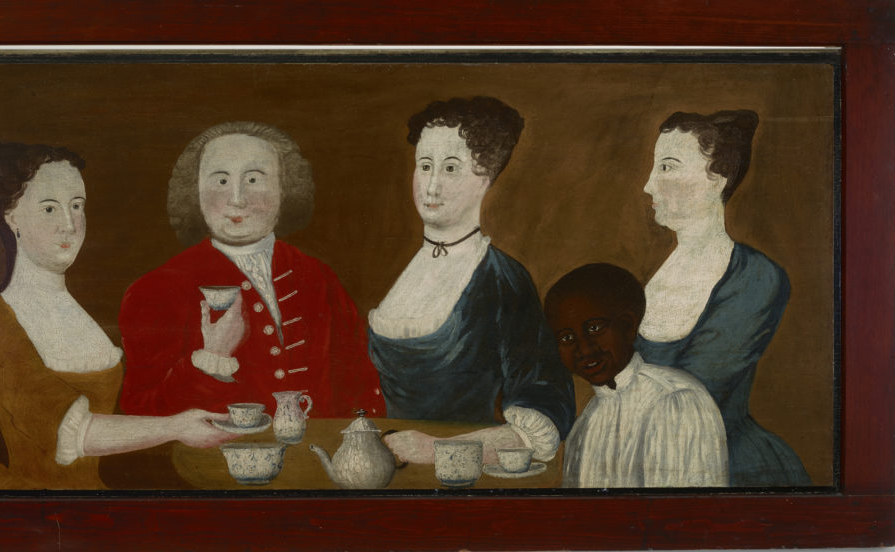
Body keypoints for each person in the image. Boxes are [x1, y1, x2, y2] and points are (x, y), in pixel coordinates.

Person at [0, 141, 236, 491]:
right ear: (12, 216)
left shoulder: (79, 312)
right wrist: (176, 428)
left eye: (76, 206)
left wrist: (208, 357)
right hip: (29, 501)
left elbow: (130, 420)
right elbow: (74, 431)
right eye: (49, 209)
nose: (69, 224)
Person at [118, 121, 385, 418]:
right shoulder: (157, 289)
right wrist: (213, 358)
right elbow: (141, 412)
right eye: (220, 181)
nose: (237, 198)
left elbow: (360, 386)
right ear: (194, 190)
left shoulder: (317, 276)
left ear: (285, 188)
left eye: (254, 179)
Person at [371, 97, 576, 466]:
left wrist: (436, 450)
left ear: (485, 178)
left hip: (460, 474)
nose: (431, 186)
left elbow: (545, 414)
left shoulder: (503, 281)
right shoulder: (406, 272)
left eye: (451, 168)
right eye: (425, 166)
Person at [636, 110, 811, 487]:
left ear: (717, 179)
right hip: (642, 458)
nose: (649, 185)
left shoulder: (756, 277)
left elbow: (695, 395)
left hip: (724, 466)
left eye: (666, 168)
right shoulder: (653, 277)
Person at [545, 263, 728, 488]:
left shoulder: (676, 400)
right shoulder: (585, 424)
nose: (584, 349)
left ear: (628, 326)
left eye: (594, 328)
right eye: (567, 339)